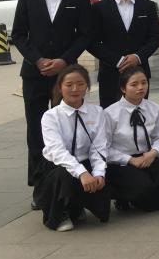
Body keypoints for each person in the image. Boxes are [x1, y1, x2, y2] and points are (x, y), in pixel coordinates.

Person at [12, 0, 92, 198]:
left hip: (66, 77)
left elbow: (85, 35)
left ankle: (68, 183)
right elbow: (18, 35)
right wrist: (37, 60)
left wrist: (63, 61)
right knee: (36, 131)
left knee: (67, 128)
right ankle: (40, 187)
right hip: (34, 74)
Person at [34, 65, 110, 231]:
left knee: (103, 207)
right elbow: (57, 151)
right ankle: (59, 213)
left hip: (85, 163)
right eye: (69, 85)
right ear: (60, 87)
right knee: (63, 175)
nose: (75, 89)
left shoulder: (97, 112)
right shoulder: (50, 116)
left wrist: (98, 174)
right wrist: (82, 173)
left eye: (80, 84)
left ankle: (76, 206)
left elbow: (99, 147)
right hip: (58, 168)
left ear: (87, 86)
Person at [104, 67, 159, 212]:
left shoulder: (154, 108)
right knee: (143, 188)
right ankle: (123, 197)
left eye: (144, 83)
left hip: (146, 157)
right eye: (134, 84)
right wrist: (130, 160)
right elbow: (104, 148)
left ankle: (146, 197)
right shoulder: (110, 113)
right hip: (122, 162)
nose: (140, 87)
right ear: (123, 88)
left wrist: (153, 153)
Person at [88, 0, 159, 108]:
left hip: (139, 74)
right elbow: (91, 42)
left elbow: (155, 38)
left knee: (139, 114)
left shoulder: (147, 6)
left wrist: (137, 57)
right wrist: (117, 60)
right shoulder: (98, 9)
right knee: (110, 115)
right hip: (110, 73)